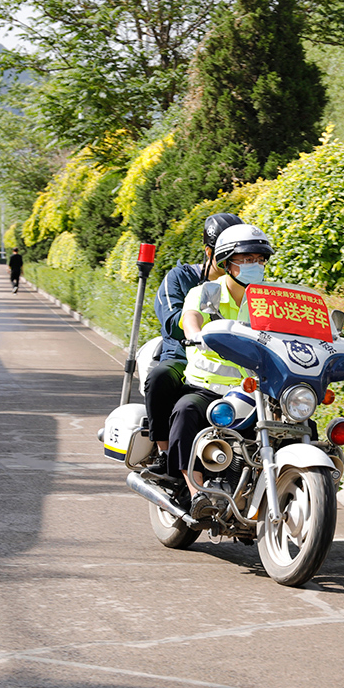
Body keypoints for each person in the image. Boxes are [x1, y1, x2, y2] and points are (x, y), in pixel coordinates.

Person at [166, 223, 274, 514]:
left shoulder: (269, 299)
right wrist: (196, 333)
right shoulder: (207, 292)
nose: (256, 265)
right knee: (186, 412)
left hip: (255, 391)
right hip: (208, 388)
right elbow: (190, 317)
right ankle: (196, 491)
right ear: (227, 264)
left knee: (300, 426)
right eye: (247, 259)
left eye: (260, 260)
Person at [141, 213, 243, 477]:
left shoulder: (250, 288)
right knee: (161, 377)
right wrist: (198, 319)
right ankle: (165, 453)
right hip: (183, 356)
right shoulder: (181, 278)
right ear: (210, 251)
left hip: (236, 362)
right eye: (229, 254)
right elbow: (173, 320)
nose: (238, 261)